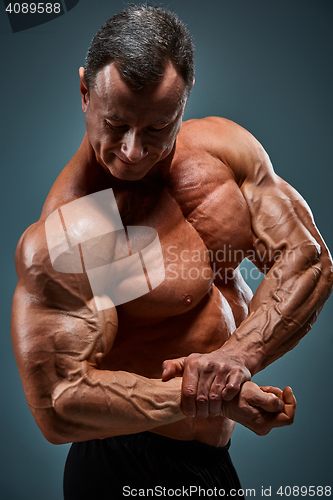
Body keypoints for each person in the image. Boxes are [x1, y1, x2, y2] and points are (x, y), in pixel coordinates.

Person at [11, 4, 332, 499]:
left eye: (158, 128)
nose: (133, 151)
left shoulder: (223, 152)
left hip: (211, 462)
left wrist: (235, 360)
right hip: (123, 466)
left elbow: (305, 259)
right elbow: (58, 402)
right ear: (84, 93)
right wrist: (205, 396)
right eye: (115, 125)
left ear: (183, 102)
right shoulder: (79, 229)